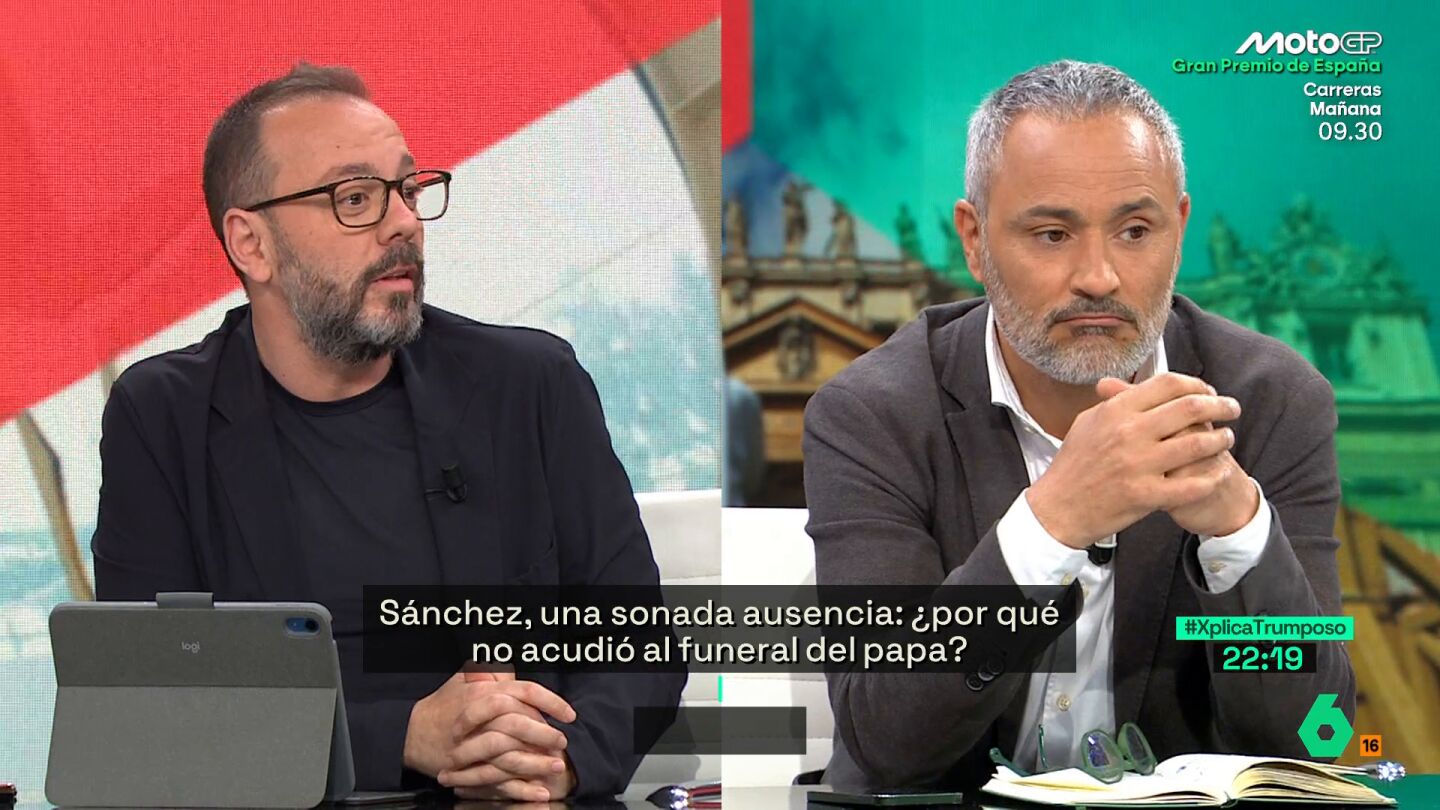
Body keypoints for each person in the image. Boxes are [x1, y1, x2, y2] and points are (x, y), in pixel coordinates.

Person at [91, 63, 684, 802]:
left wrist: (560, 762)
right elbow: (151, 708)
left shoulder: (530, 385)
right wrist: (405, 736)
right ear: (252, 244)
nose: (403, 221)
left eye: (406, 189)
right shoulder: (161, 417)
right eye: (355, 198)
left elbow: (641, 648)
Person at [802, 60, 1354, 791]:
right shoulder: (872, 415)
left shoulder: (1270, 401)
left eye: (1135, 230)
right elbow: (888, 744)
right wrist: (1052, 522)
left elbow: (1315, 739)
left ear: (1180, 229)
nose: (1099, 276)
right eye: (1053, 234)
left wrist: (1238, 534)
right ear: (974, 239)